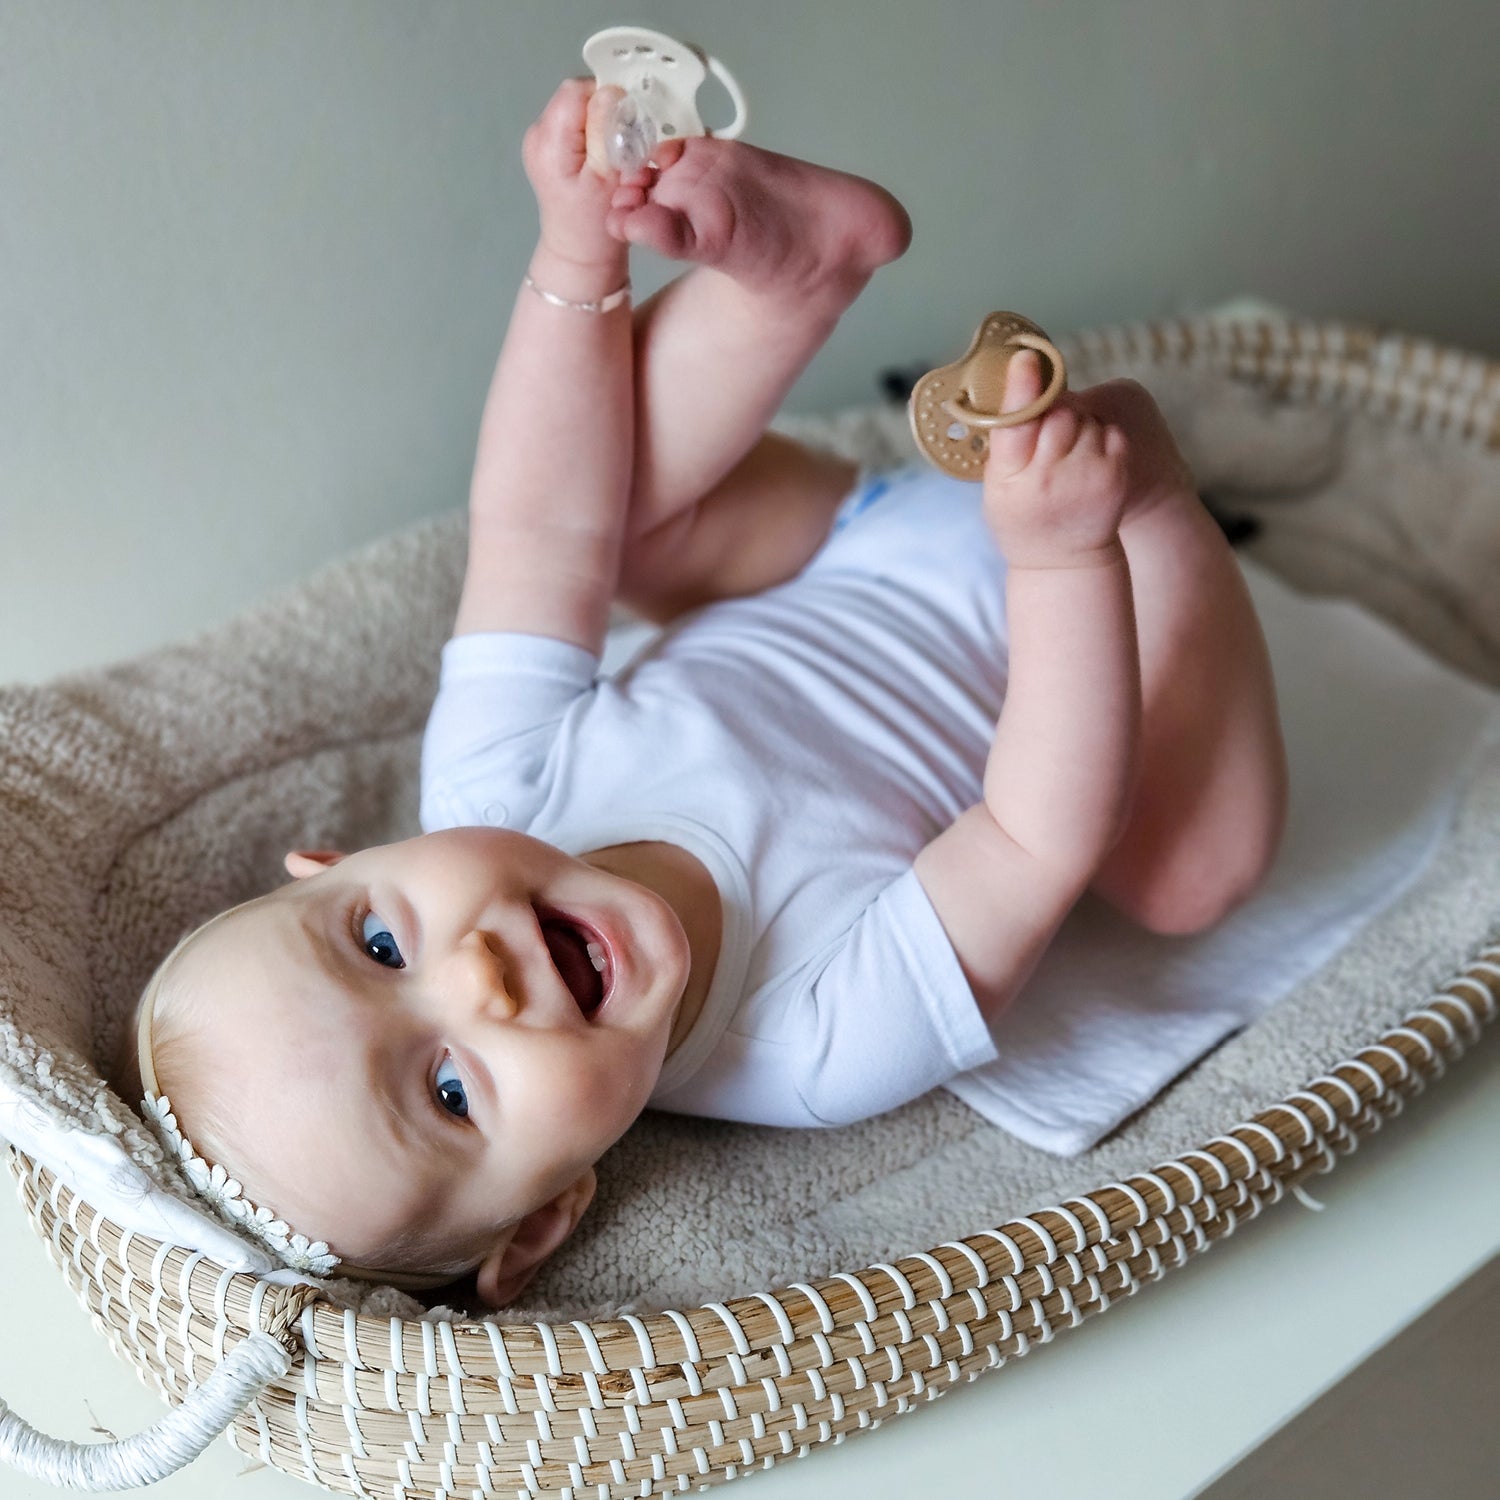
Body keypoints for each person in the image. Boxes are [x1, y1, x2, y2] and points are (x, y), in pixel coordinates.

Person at [114, 78, 1287, 1307]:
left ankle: (794, 277)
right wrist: (1063, 550)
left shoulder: (490, 779)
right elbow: (1035, 834)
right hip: (1100, 630)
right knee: (1189, 872)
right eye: (452, 1093)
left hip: (856, 541)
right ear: (549, 1217)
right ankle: (1153, 483)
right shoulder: (816, 1047)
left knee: (598, 523)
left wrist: (578, 249)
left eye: (379, 940)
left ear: (344, 859)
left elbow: (533, 521)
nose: (478, 978)